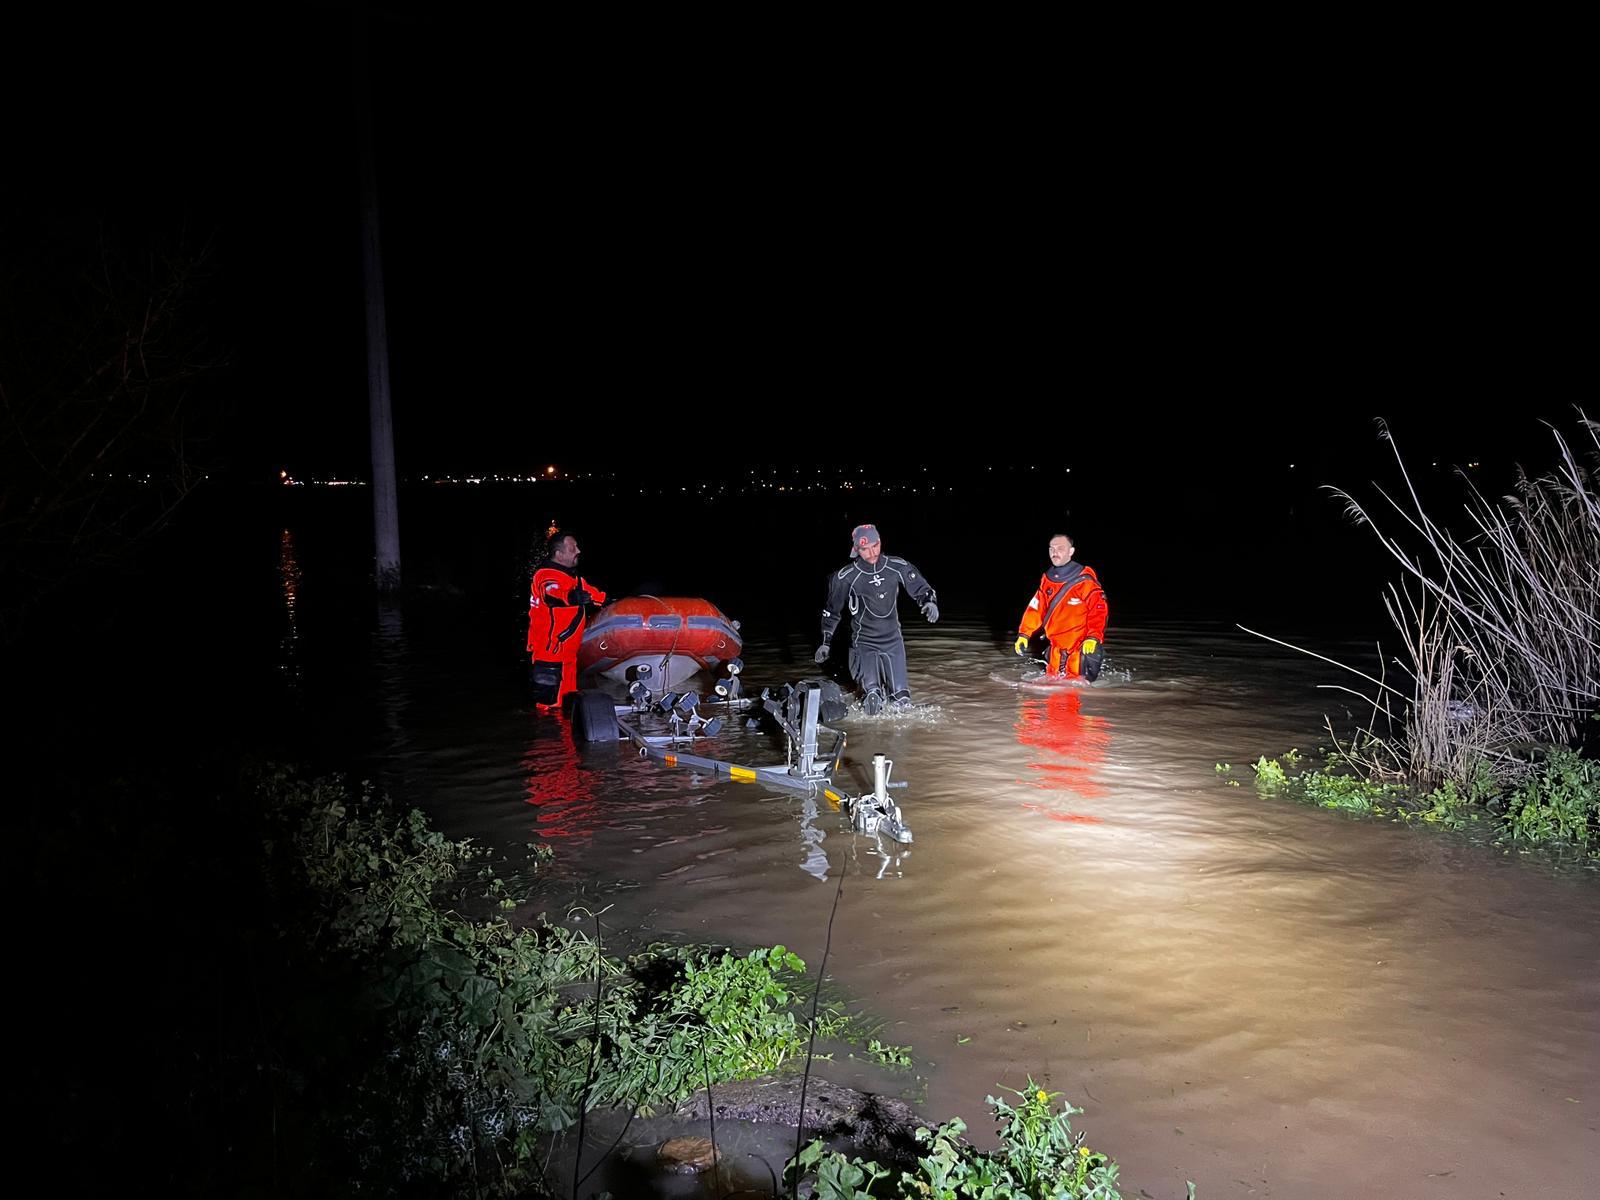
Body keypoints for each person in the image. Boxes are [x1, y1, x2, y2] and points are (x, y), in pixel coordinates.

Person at [815, 523, 939, 714]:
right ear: (856, 549)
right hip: (864, 644)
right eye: (865, 549)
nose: (872, 552)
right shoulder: (845, 577)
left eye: (875, 546)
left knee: (902, 702)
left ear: (880, 542)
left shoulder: (897, 566)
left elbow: (922, 588)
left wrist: (929, 602)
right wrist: (825, 642)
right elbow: (832, 612)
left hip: (893, 642)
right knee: (872, 700)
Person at [527, 531, 607, 709]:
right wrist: (571, 597)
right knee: (548, 707)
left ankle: (565, 734)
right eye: (573, 548)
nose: (578, 550)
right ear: (559, 554)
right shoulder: (544, 576)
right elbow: (552, 593)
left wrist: (617, 601)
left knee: (567, 703)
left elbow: (595, 595)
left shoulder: (574, 579)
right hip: (550, 653)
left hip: (568, 655)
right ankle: (547, 734)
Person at [1014, 533, 1108, 681]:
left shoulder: (1085, 581)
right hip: (1055, 649)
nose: (1054, 553)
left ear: (1071, 551)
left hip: (1078, 648)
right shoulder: (1047, 579)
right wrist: (1024, 634)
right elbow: (1036, 607)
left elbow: (1099, 610)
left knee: (1075, 690)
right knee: (1052, 688)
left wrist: (1093, 637)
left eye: (1060, 548)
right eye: (1051, 549)